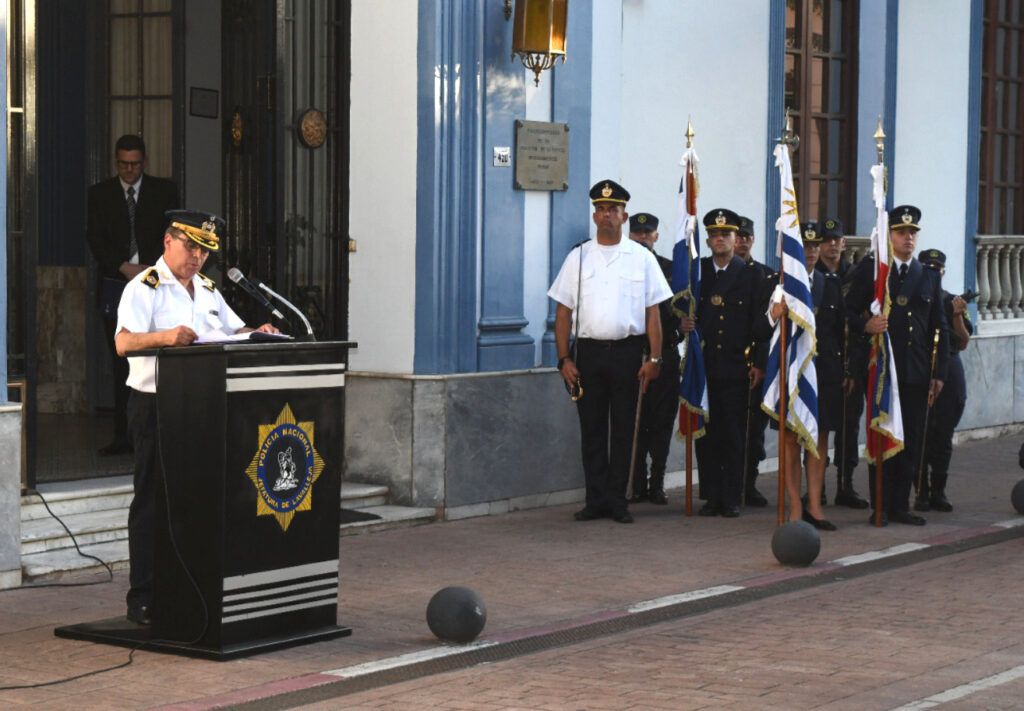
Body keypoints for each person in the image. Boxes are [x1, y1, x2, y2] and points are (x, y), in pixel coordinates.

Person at [115, 210, 280, 625]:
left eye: (205, 251)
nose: (197, 258)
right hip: (156, 402)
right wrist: (164, 337)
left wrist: (257, 332)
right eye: (191, 247)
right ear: (168, 241)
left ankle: (190, 587)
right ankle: (145, 597)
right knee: (153, 500)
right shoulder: (145, 287)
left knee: (198, 498)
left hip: (203, 406)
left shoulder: (206, 289)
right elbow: (123, 342)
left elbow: (232, 331)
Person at [549, 181, 671, 524]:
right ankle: (595, 499)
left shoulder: (642, 258)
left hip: (627, 354)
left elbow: (653, 315)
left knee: (622, 429)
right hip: (587, 354)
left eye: (614, 210)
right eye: (601, 210)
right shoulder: (579, 256)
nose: (607, 216)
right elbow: (563, 314)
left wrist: (656, 359)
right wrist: (564, 359)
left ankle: (618, 500)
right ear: (594, 215)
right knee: (591, 430)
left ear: (624, 216)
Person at [845, 205, 948, 526]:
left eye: (913, 233)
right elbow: (845, 312)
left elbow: (939, 327)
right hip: (881, 371)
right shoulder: (873, 271)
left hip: (916, 370)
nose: (908, 238)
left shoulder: (928, 276)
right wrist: (866, 327)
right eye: (901, 232)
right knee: (881, 434)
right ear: (889, 236)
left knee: (911, 437)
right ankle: (881, 505)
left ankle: (901, 504)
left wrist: (939, 374)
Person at [86, 134, 180, 456]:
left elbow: (172, 236)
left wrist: (149, 270)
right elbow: (95, 238)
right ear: (116, 162)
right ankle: (122, 437)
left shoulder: (164, 192)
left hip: (155, 284)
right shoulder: (100, 194)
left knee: (158, 359)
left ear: (145, 162)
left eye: (135, 164)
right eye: (124, 164)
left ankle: (156, 435)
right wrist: (121, 266)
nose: (130, 170)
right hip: (116, 282)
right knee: (120, 361)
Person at [679, 208, 770, 518]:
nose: (721, 239)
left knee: (732, 434)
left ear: (736, 239)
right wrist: (682, 323)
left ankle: (731, 495)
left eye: (727, 234)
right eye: (715, 235)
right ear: (707, 240)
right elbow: (678, 308)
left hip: (737, 365)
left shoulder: (751, 274)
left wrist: (758, 363)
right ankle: (711, 494)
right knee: (706, 433)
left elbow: (760, 324)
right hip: (704, 366)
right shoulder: (697, 271)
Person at [771, 222, 841, 530]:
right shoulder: (779, 284)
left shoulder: (831, 283)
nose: (811, 252)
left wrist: (845, 372)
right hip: (790, 373)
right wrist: (775, 313)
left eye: (815, 246)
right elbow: (764, 332)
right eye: (806, 247)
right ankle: (795, 506)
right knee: (789, 440)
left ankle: (815, 505)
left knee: (818, 437)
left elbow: (840, 333)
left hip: (823, 373)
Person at [815, 218, 870, 509]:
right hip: (823, 364)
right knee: (820, 428)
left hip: (852, 361)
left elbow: (859, 316)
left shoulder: (856, 275)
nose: (832, 244)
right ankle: (817, 487)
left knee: (849, 427)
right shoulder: (813, 275)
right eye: (826, 239)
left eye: (836, 239)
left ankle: (845, 485)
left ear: (844, 243)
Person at [626, 212, 680, 506]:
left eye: (648, 233)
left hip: (665, 355)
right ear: (630, 235)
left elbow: (679, 309)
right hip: (633, 355)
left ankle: (657, 483)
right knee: (635, 420)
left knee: (661, 422)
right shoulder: (622, 268)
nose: (643, 237)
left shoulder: (670, 269)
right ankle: (636, 483)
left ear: (656, 236)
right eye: (638, 233)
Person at [917, 248, 972, 512]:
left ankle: (938, 491)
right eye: (929, 268)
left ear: (944, 272)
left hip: (948, 366)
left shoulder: (953, 300)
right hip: (921, 367)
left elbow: (963, 342)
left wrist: (956, 315)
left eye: (937, 268)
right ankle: (921, 492)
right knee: (921, 434)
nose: (934, 273)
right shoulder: (915, 299)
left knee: (943, 434)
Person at [735, 215, 772, 507]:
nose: (743, 240)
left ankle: (749, 483)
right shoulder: (720, 272)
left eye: (747, 236)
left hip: (756, 365)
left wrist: (760, 364)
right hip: (728, 360)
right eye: (739, 235)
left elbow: (766, 328)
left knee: (754, 430)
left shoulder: (765, 275)